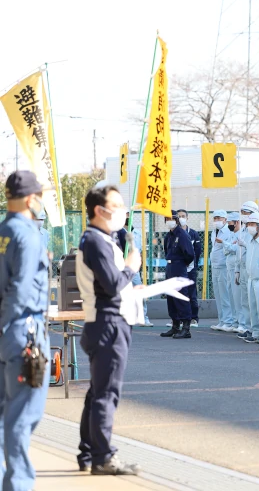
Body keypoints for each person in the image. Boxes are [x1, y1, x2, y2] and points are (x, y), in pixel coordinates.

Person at [74, 184, 144, 477]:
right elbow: (113, 284)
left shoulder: (99, 239)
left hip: (104, 321)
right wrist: (131, 267)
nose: (122, 211)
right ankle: (103, 457)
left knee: (97, 392)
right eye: (116, 206)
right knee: (106, 393)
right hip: (108, 323)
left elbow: (109, 284)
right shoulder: (95, 241)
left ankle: (90, 453)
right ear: (99, 210)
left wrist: (130, 286)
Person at [0, 172, 52, 487]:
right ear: (32, 198)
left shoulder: (3, 231)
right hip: (24, 331)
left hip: (7, 335)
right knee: (22, 415)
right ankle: (18, 484)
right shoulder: (29, 235)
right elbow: (20, 290)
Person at [161, 210, 195, 339]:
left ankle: (186, 328)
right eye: (166, 219)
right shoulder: (168, 236)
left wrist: (182, 264)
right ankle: (175, 325)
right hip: (170, 266)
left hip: (179, 267)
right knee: (171, 297)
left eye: (171, 219)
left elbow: (190, 254)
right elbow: (166, 251)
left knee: (181, 296)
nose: (169, 221)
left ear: (176, 220)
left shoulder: (182, 234)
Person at [242, 213, 259, 344]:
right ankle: (256, 332)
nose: (250, 227)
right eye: (248, 224)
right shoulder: (250, 240)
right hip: (250, 278)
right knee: (252, 307)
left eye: (252, 224)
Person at [234, 202, 258, 338]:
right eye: (242, 212)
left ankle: (256, 328)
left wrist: (246, 245)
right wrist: (237, 270)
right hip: (243, 268)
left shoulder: (257, 230)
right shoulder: (243, 230)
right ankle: (248, 327)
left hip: (252, 268)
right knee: (245, 300)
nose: (244, 215)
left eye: (247, 212)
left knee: (254, 301)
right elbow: (239, 252)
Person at [209, 210, 234, 331]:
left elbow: (229, 246)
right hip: (215, 265)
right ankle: (222, 320)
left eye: (219, 218)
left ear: (225, 219)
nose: (217, 221)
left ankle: (228, 321)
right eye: (215, 218)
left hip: (224, 266)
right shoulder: (214, 232)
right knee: (218, 295)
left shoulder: (228, 231)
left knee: (225, 295)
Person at [177, 209, 202, 327]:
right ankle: (178, 319)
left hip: (190, 269)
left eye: (183, 216)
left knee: (192, 294)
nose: (181, 218)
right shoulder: (173, 234)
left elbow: (197, 251)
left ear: (187, 218)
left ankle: (193, 318)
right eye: (179, 216)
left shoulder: (193, 234)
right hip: (178, 268)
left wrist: (190, 262)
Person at [224, 212, 247, 333]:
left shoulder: (242, 234)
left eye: (230, 223)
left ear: (237, 222)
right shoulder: (232, 234)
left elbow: (235, 249)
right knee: (232, 296)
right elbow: (226, 250)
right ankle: (236, 321)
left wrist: (228, 246)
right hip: (230, 267)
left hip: (238, 268)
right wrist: (228, 246)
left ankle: (242, 323)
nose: (229, 225)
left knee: (239, 297)